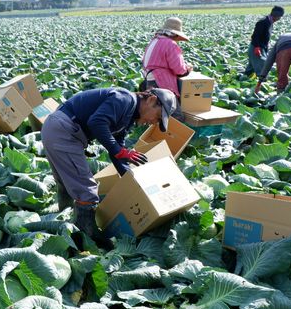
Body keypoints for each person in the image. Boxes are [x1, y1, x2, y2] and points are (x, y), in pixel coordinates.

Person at [41, 87, 177, 243]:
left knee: (67, 183)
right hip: (63, 131)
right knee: (87, 192)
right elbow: (96, 122)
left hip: (58, 129)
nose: (153, 122)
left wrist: (131, 180)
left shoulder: (128, 116)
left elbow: (117, 149)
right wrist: (120, 151)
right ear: (151, 100)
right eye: (158, 116)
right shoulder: (124, 99)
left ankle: (65, 224)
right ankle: (85, 239)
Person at [141, 17, 193, 99]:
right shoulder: (170, 44)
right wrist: (188, 69)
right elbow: (179, 70)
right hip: (161, 82)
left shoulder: (154, 40)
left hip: (149, 80)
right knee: (174, 110)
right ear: (175, 34)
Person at [244, 6, 284, 77]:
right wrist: (257, 47)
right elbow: (256, 36)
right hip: (256, 49)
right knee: (262, 71)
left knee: (249, 71)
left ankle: (240, 80)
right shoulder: (263, 22)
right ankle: (262, 86)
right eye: (279, 17)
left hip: (261, 48)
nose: (279, 19)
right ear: (276, 16)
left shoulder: (269, 22)